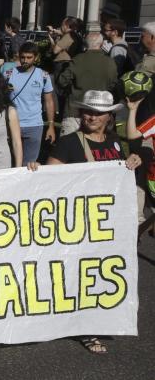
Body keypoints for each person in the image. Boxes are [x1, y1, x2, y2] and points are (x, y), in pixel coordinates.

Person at [45, 90, 141, 355]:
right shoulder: (69, 143)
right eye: (88, 111)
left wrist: (133, 160)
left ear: (109, 117)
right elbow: (47, 180)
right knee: (83, 272)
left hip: (108, 220)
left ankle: (101, 317)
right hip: (79, 220)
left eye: (98, 113)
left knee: (104, 271)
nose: (91, 117)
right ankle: (86, 327)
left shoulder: (114, 142)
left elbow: (130, 160)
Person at [57, 32, 118, 135]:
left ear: (85, 45)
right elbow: (113, 85)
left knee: (69, 147)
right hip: (99, 112)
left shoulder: (77, 60)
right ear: (102, 44)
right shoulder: (110, 62)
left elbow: (62, 81)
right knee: (95, 147)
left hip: (75, 110)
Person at [8, 42, 56, 163]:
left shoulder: (43, 76)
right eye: (22, 57)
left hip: (34, 125)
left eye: (29, 57)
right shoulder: (8, 74)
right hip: (11, 124)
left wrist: (50, 125)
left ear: (36, 57)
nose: (25, 60)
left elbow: (49, 101)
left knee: (29, 164)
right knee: (10, 163)